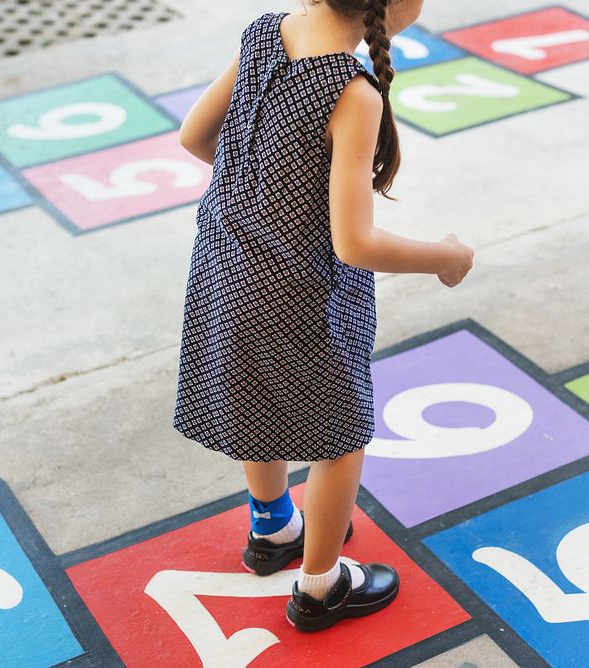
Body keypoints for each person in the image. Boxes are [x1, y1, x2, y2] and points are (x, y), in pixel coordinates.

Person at [173, 0, 474, 632]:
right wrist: (445, 257)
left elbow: (194, 137)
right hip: (300, 290)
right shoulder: (351, 91)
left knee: (259, 401)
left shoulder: (266, 31)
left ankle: (274, 527)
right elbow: (355, 244)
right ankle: (320, 588)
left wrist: (261, 194)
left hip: (226, 261)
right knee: (339, 435)